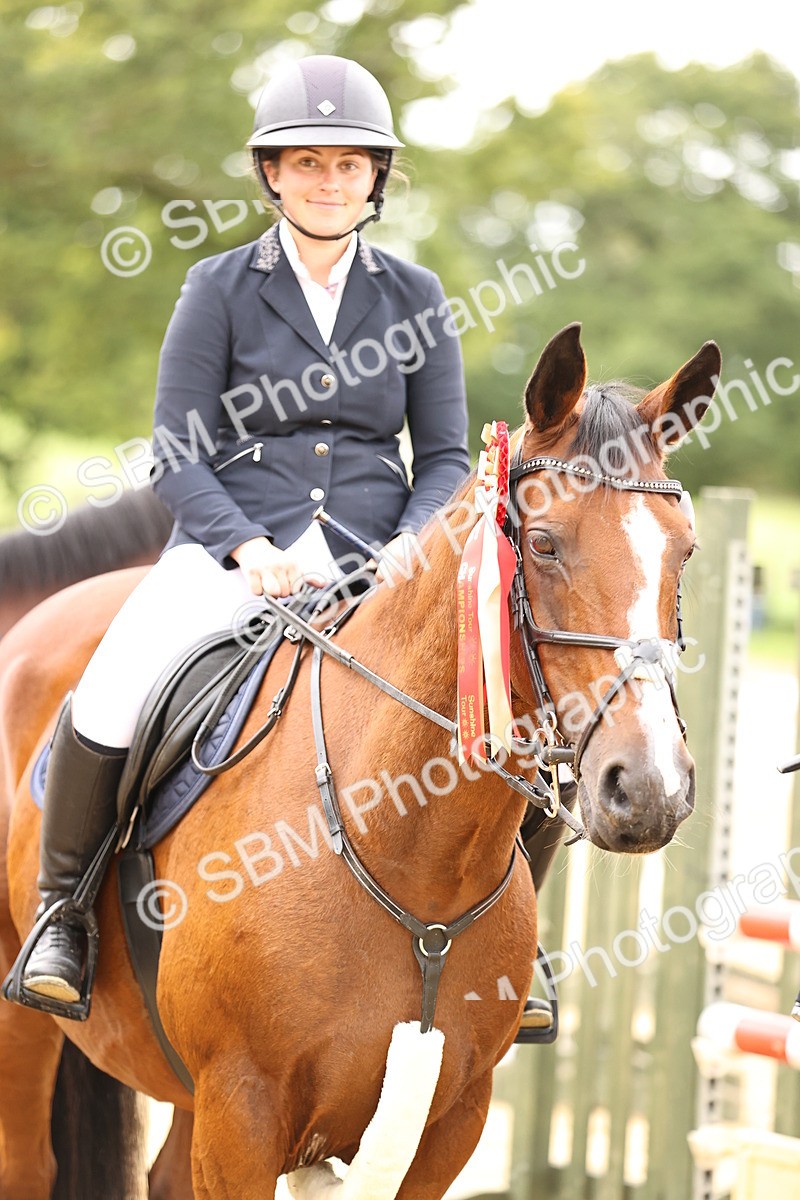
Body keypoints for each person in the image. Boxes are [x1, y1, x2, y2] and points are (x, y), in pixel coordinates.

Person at [16, 54, 470, 1009]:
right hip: (232, 549)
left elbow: (447, 459)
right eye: (308, 163)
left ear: (375, 178)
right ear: (272, 173)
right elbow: (178, 446)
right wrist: (244, 548)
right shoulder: (218, 287)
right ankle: (60, 917)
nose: (329, 182)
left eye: (350, 165)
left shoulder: (416, 295)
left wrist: (410, 543)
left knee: (497, 693)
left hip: (378, 557)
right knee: (108, 687)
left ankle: (520, 946)